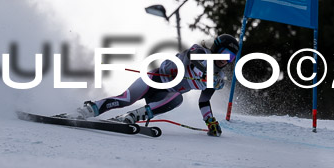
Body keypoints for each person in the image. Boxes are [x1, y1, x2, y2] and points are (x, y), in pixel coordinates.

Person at [77, 34, 240, 137]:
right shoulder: (201, 52)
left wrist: (210, 121)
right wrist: (205, 73)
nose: (226, 60)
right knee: (125, 99)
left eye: (231, 58)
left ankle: (131, 116)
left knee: (178, 98)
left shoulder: (217, 77)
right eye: (225, 54)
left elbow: (204, 101)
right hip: (154, 80)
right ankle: (89, 109)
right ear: (217, 49)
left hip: (164, 97)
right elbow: (191, 57)